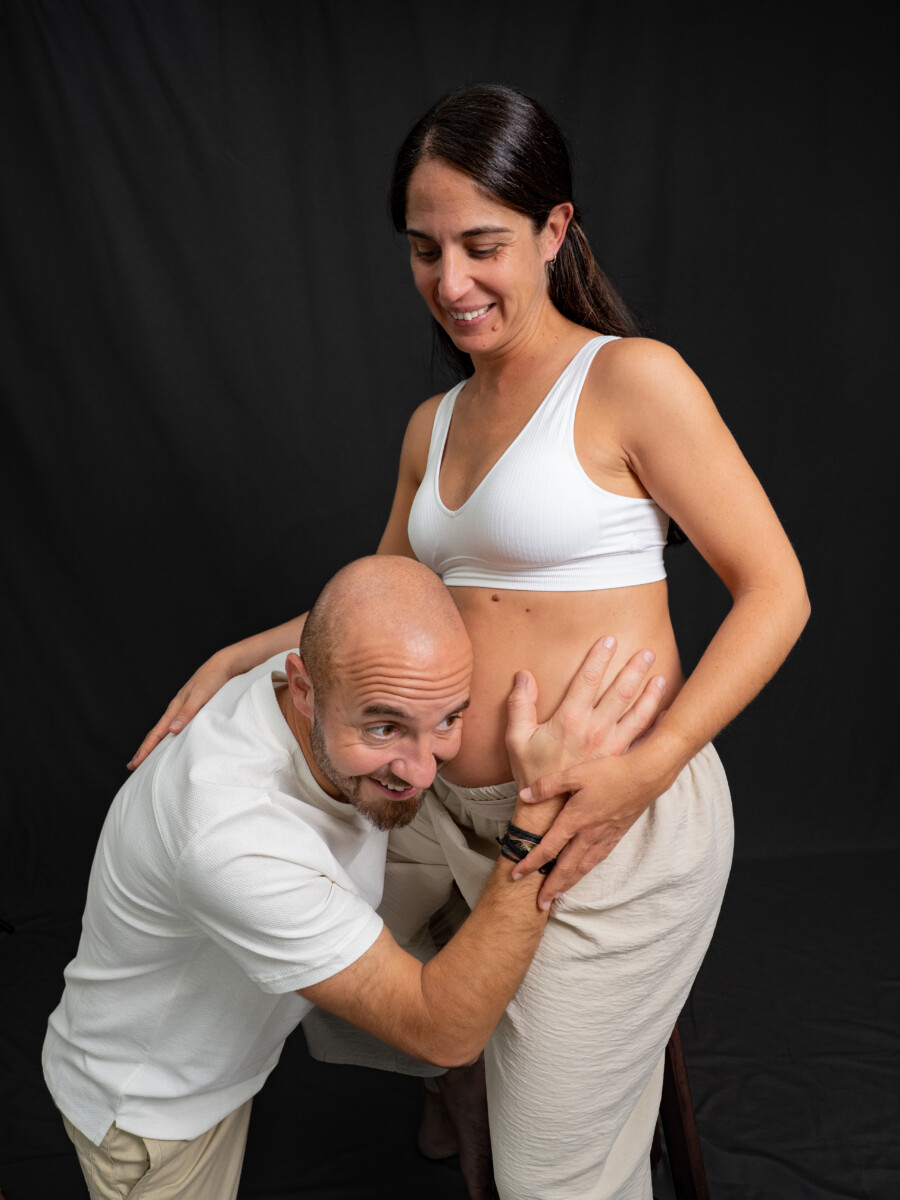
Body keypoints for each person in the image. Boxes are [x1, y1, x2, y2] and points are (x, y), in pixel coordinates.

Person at [130, 85, 810, 1199]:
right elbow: (376, 608)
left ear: (553, 230)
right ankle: (462, 1088)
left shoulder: (630, 380)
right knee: (312, 965)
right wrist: (231, 658)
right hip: (444, 806)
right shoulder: (432, 425)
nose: (451, 282)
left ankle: (520, 1103)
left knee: (554, 1180)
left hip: (600, 819)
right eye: (424, 249)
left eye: (483, 245)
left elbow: (777, 592)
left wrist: (643, 772)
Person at [44, 555, 666, 1200]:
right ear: (304, 688)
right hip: (152, 1111)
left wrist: (233, 656)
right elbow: (444, 1033)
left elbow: (355, 621)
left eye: (448, 719)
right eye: (384, 727)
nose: (422, 772)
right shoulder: (233, 837)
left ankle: (445, 1127)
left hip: (223, 1050)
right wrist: (537, 817)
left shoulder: (338, 676)